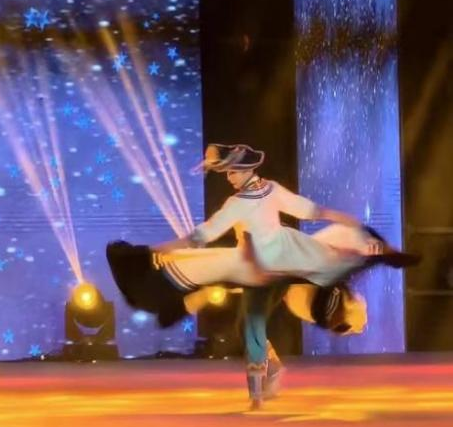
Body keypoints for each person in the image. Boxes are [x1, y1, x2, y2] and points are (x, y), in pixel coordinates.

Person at [114, 143, 416, 410]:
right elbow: (203, 237)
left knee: (315, 274)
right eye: (226, 172)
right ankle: (262, 384)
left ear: (246, 170)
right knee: (249, 320)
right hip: (262, 267)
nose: (229, 177)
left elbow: (311, 211)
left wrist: (154, 250)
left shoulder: (256, 197)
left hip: (278, 262)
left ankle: (261, 387)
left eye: (232, 172)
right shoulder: (255, 196)